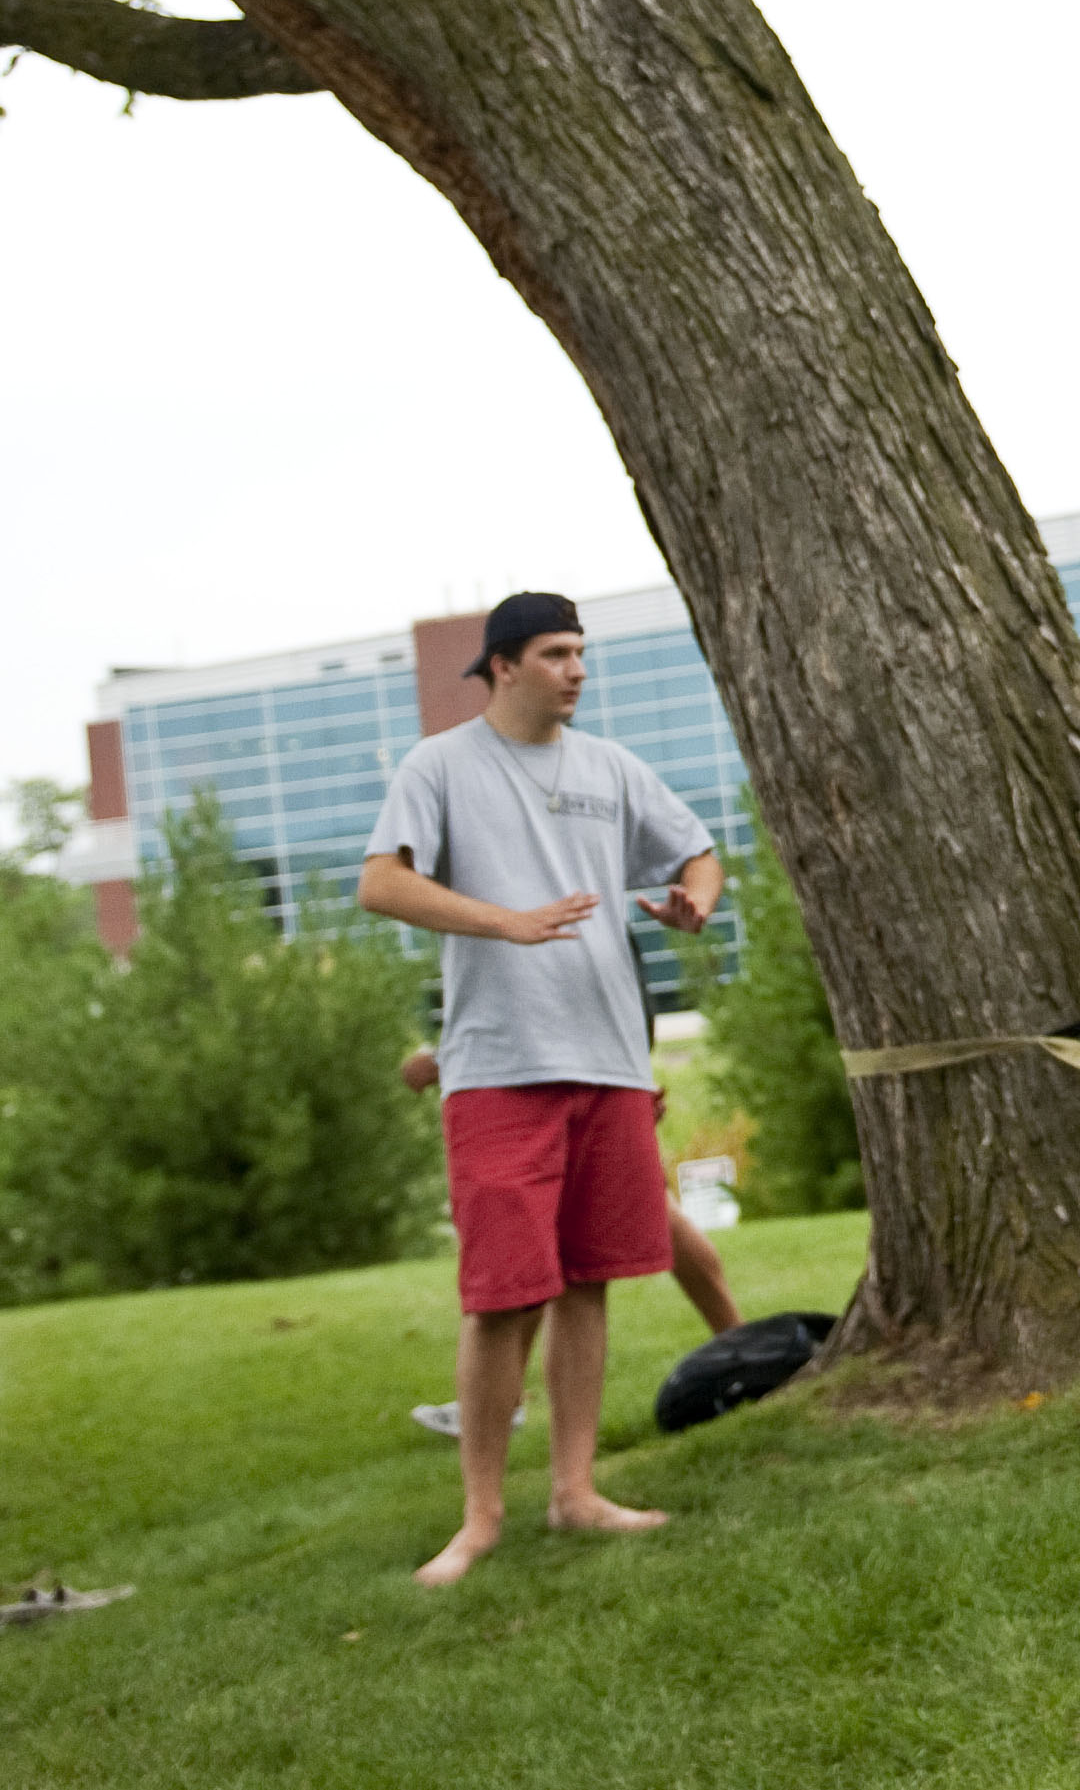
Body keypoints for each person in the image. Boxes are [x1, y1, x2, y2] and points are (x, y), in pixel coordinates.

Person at [356, 592, 722, 1586]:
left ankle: (575, 1491)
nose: (577, 669)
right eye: (557, 653)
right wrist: (504, 920)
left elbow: (698, 851)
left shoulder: (610, 767)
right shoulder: (440, 765)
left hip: (610, 1060)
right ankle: (479, 1517)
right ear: (502, 665)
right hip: (499, 1068)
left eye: (581, 652)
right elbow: (381, 882)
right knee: (502, 1295)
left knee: (587, 1279)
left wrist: (696, 901)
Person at [400, 1045, 744, 1438]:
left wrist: (448, 1055)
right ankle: (743, 1346)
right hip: (587, 1062)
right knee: (564, 1230)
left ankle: (743, 1348)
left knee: (549, 1236)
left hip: (577, 1065)